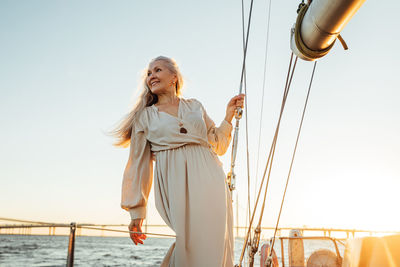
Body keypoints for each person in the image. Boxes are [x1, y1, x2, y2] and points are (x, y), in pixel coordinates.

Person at [112, 56, 244, 267]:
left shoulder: (195, 106)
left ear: (174, 77)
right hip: (176, 184)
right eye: (148, 73)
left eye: (157, 70)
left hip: (212, 180)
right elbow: (138, 165)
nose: (151, 76)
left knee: (215, 244)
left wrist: (228, 117)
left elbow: (218, 144)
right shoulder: (144, 117)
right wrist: (136, 212)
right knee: (189, 245)